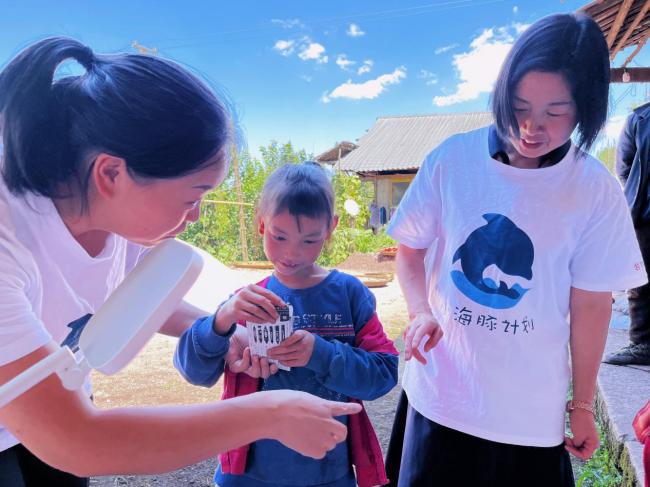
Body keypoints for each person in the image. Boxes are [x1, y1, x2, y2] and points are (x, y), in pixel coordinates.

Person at [0, 37, 361, 487]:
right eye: (193, 197)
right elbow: (78, 442)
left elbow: (136, 298)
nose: (194, 218)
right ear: (111, 173)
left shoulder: (108, 211)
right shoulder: (8, 243)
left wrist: (229, 332)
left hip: (51, 396)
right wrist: (268, 412)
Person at [383, 13, 647, 487]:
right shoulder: (452, 160)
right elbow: (410, 249)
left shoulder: (594, 189)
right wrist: (421, 311)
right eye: (520, 106)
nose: (531, 127)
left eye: (556, 112)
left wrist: (583, 405)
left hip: (529, 418)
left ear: (585, 108)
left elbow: (590, 304)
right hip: (441, 399)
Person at [174, 162, 399, 487]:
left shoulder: (350, 295)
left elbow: (384, 374)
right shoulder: (247, 301)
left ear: (330, 228)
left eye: (309, 240)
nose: (291, 253)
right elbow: (194, 371)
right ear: (262, 225)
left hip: (327, 472)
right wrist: (222, 320)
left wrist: (319, 353)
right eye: (280, 236)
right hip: (248, 474)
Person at [603, 102, 650, 365]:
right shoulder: (639, 118)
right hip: (646, 213)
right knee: (640, 279)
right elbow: (625, 166)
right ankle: (642, 343)